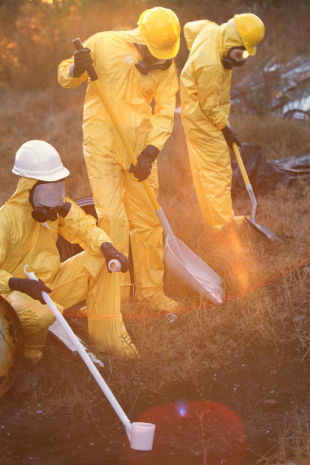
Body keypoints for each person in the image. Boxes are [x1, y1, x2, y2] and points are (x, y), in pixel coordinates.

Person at [57, 7, 182, 311]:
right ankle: (117, 294)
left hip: (139, 151)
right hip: (101, 146)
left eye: (164, 55)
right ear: (140, 40)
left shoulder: (167, 65)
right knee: (112, 219)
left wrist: (151, 152)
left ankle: (152, 292)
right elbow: (66, 78)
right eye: (155, 53)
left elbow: (165, 112)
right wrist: (76, 67)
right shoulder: (102, 43)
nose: (160, 60)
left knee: (148, 223)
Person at [0, 140, 138, 363]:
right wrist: (20, 284)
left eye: (58, 188)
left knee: (101, 260)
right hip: (11, 296)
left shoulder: (56, 208)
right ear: (29, 188)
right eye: (47, 190)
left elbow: (84, 228)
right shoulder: (5, 221)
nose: (55, 196)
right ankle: (28, 358)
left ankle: (109, 341)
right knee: (38, 314)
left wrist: (107, 247)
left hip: (47, 287)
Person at [180, 13, 265, 230]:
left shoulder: (211, 30)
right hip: (203, 119)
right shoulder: (210, 66)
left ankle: (214, 222)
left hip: (197, 114)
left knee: (205, 172)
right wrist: (225, 129)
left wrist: (194, 54)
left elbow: (189, 27)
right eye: (239, 53)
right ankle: (222, 228)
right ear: (231, 41)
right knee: (218, 172)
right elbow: (209, 106)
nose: (240, 59)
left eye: (245, 54)